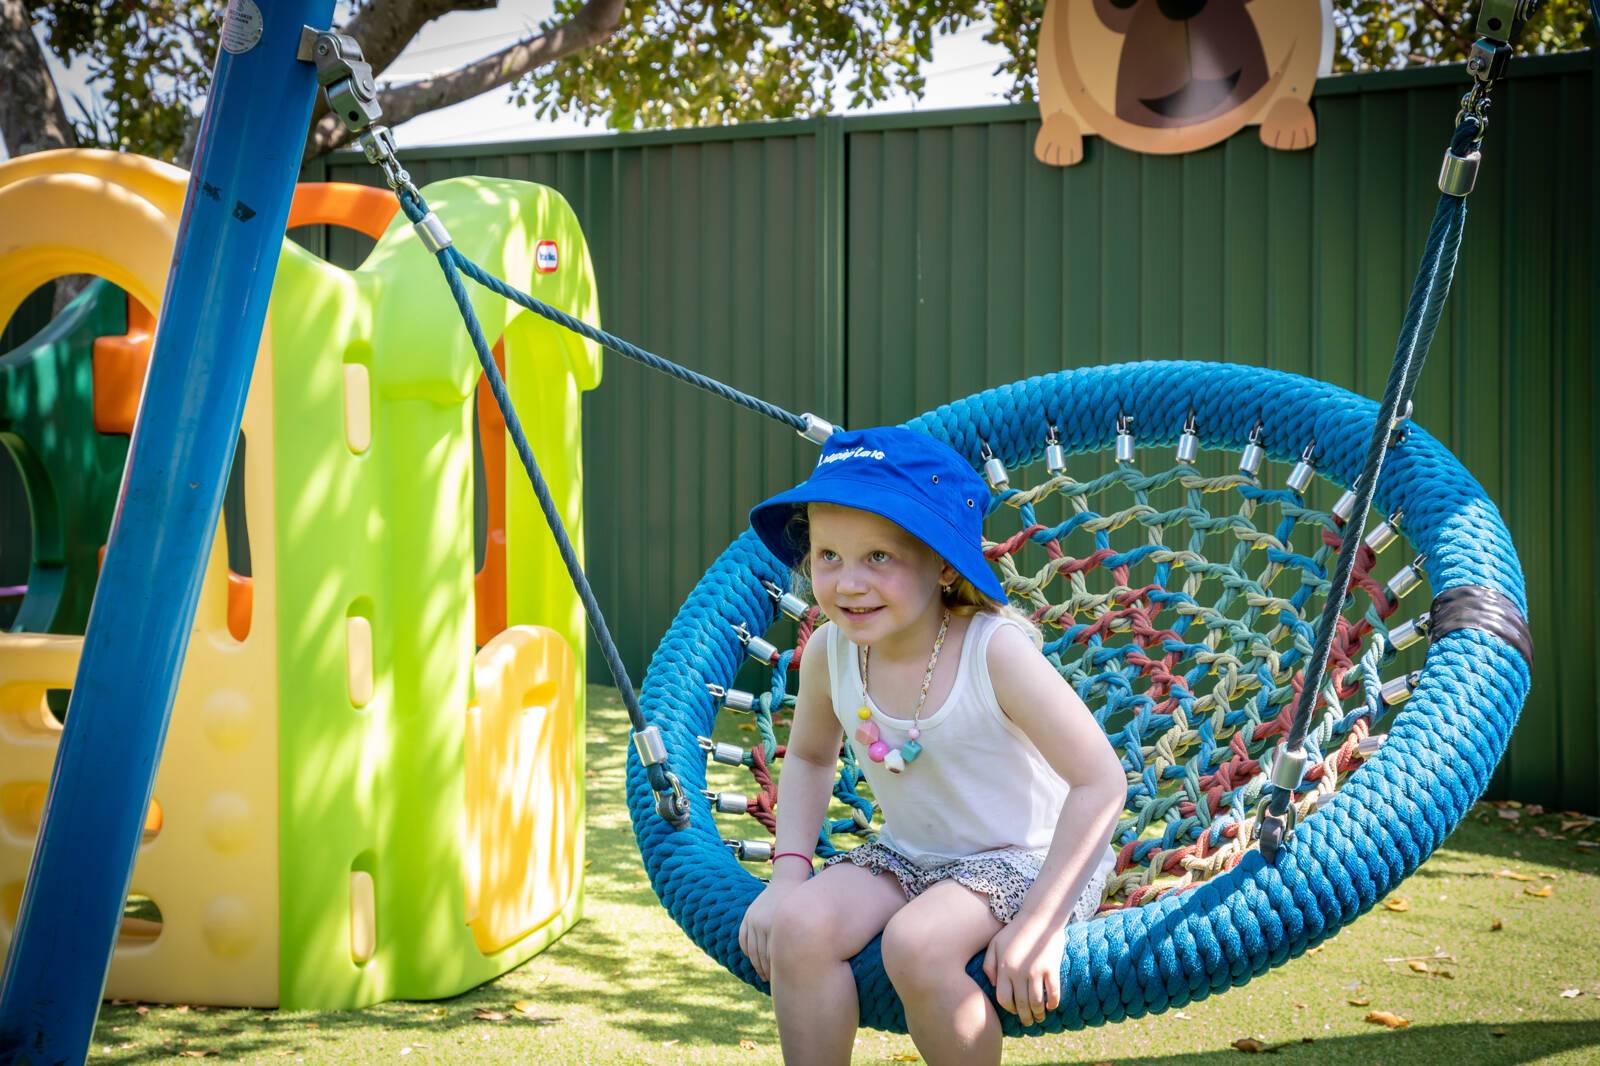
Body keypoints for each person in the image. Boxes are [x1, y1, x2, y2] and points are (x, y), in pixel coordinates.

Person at [739, 425, 1125, 1066]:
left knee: (916, 944)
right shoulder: (830, 653)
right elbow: (808, 758)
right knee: (800, 927)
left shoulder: (993, 652)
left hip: (1034, 862)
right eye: (829, 556)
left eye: (879, 558)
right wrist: (787, 875)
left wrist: (1041, 922)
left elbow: (1101, 781)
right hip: (914, 857)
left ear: (943, 563)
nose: (848, 583)